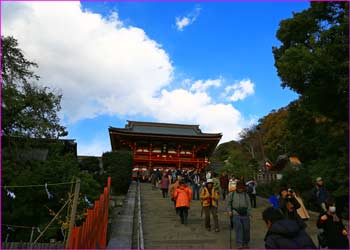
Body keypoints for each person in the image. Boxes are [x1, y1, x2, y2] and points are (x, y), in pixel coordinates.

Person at [227, 180, 251, 248]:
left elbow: (249, 204)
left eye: (241, 188)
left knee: (246, 228)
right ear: (237, 187)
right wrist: (229, 211)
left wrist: (249, 213)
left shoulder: (246, 195)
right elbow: (228, 204)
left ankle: (246, 242)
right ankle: (239, 243)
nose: (240, 189)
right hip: (235, 213)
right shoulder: (232, 194)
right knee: (239, 228)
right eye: (239, 188)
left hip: (245, 213)